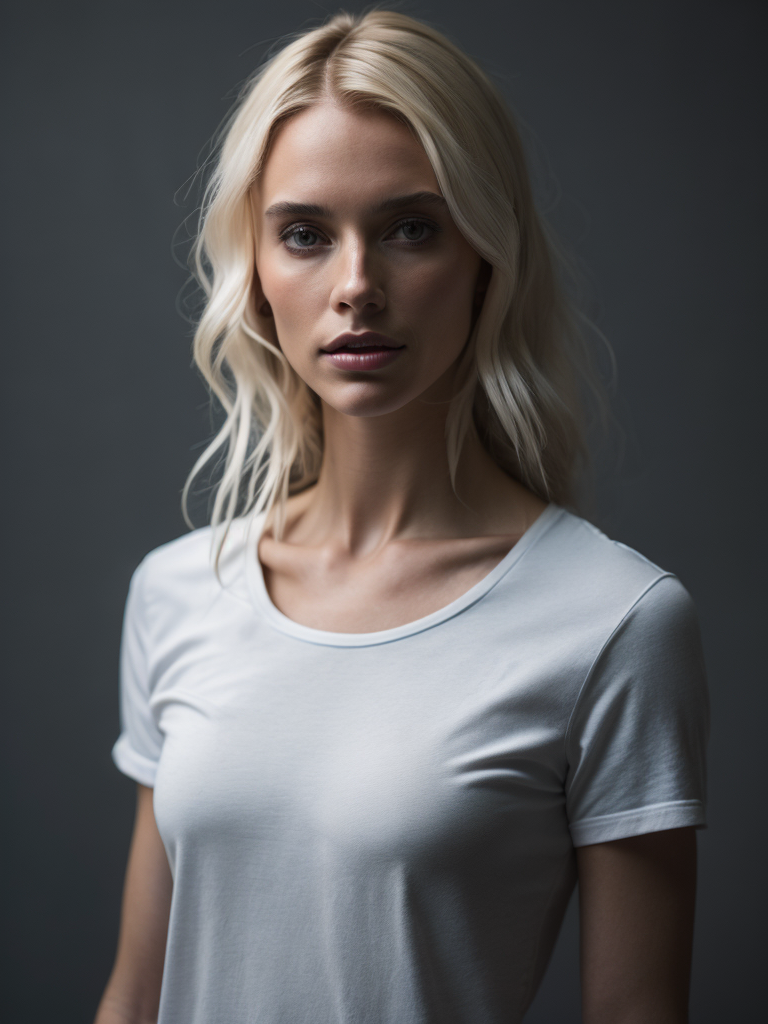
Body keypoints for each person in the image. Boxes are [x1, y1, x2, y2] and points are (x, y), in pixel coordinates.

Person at [94, 9, 709, 1024]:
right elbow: (134, 993)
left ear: (486, 255)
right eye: (304, 235)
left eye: (411, 228)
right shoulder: (178, 591)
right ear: (257, 272)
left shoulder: (615, 622)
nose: (355, 288)